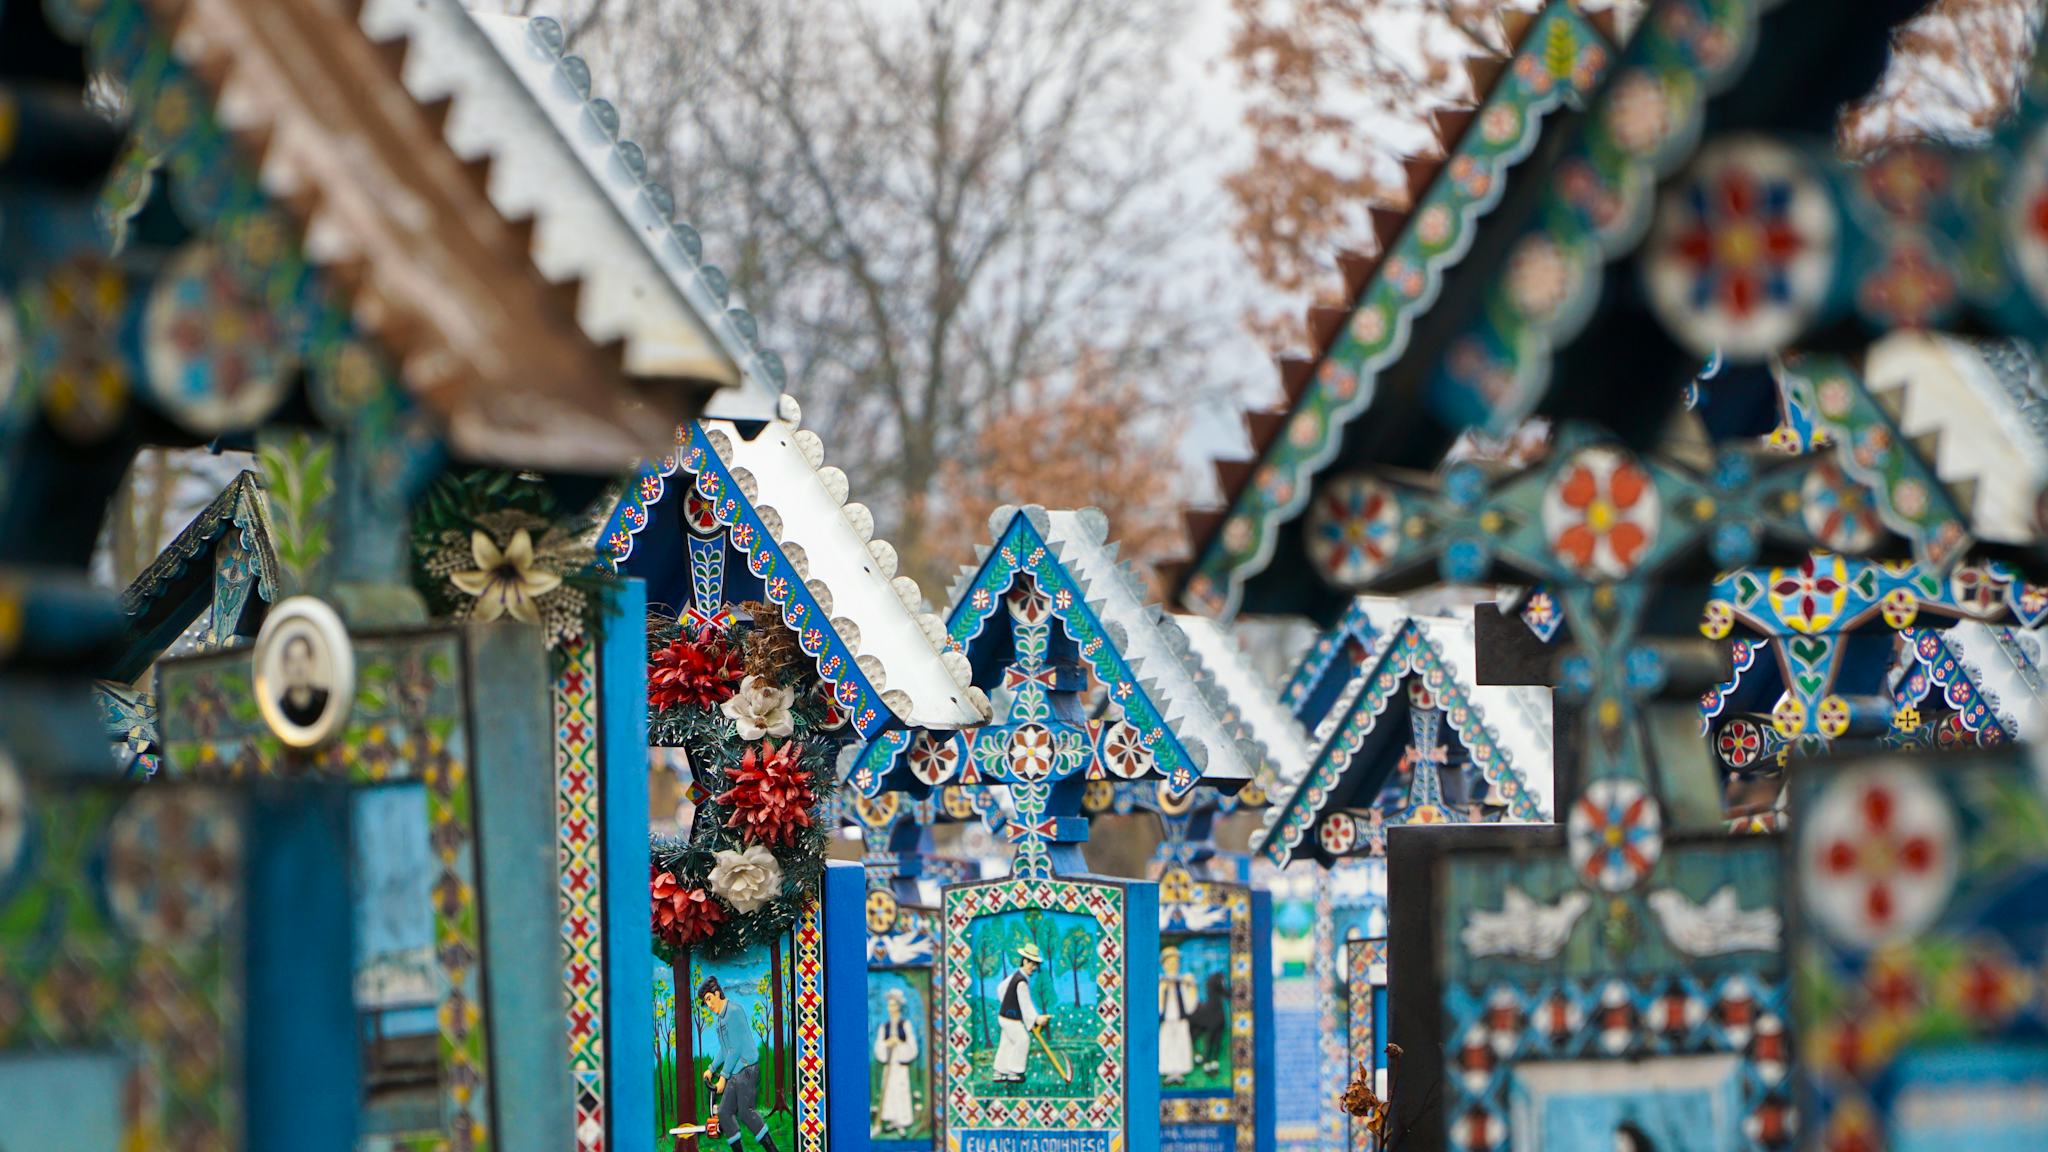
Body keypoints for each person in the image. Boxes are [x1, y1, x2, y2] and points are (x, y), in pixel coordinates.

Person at [699, 976, 780, 1152]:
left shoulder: (734, 1012)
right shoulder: (720, 1020)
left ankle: (772, 1150)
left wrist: (722, 1077)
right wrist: (712, 1069)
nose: (709, 1005)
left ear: (717, 993)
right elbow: (724, 1049)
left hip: (747, 1069)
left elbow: (735, 1049)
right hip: (736, 1073)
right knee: (724, 1112)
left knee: (746, 1112)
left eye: (709, 999)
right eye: (706, 1002)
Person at [991, 943, 1044, 1084]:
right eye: (1032, 965)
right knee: (1022, 1040)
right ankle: (1015, 1071)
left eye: (1036, 966)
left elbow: (1000, 988)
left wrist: (1006, 1002)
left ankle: (999, 1071)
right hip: (1010, 1019)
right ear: (1025, 961)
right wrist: (1036, 1019)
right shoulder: (1021, 982)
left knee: (1007, 1042)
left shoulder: (1016, 975)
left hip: (1004, 1016)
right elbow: (1025, 1005)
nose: (1034, 969)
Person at [873, 988, 919, 1133]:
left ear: (899, 1006)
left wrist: (899, 1042)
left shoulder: (905, 1025)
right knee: (889, 1091)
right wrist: (887, 1044)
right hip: (890, 1065)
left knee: (901, 1090)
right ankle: (891, 1120)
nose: (891, 1008)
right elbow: (879, 1046)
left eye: (894, 1005)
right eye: (889, 1005)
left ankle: (902, 1122)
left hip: (900, 1065)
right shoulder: (884, 1026)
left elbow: (912, 1046)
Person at [1158, 946, 1197, 1083]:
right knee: (1167, 1044)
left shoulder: (1183, 983)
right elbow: (1158, 1007)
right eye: (1169, 963)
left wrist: (1192, 988)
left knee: (1181, 1043)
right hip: (1167, 1020)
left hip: (1181, 1019)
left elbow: (1190, 1006)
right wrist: (1162, 991)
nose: (1172, 966)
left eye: (1175, 963)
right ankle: (1169, 1072)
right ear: (1163, 965)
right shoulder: (1160, 983)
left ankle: (1179, 1072)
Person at [277, 632, 330, 727]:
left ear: (311, 662)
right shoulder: (278, 709)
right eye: (292, 660)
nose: (299, 667)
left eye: (303, 658)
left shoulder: (327, 700)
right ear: (284, 666)